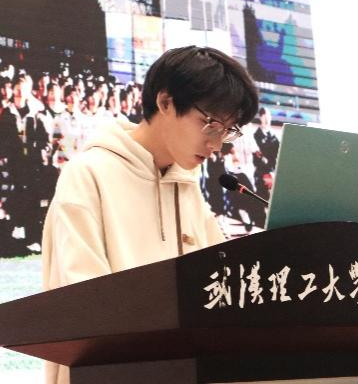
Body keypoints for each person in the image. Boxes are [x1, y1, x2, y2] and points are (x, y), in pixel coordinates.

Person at [41, 46, 259, 384]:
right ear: (166, 102)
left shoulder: (186, 187)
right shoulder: (88, 174)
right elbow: (82, 303)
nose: (217, 145)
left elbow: (223, 292)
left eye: (228, 131)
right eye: (211, 125)